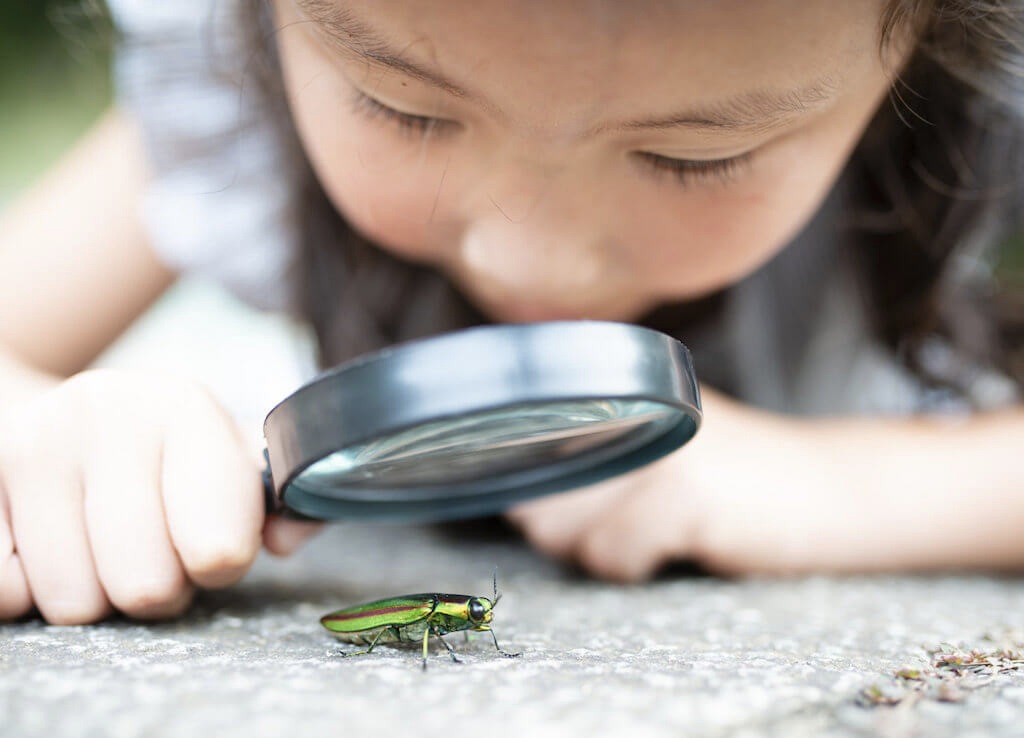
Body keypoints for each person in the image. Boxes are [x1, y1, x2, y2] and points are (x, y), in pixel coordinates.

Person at [1, 0, 1022, 625]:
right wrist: (51, 438)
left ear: (929, 48)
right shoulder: (228, 110)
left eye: (691, 156)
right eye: (403, 108)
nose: (533, 256)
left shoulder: (986, 123)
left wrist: (841, 488)